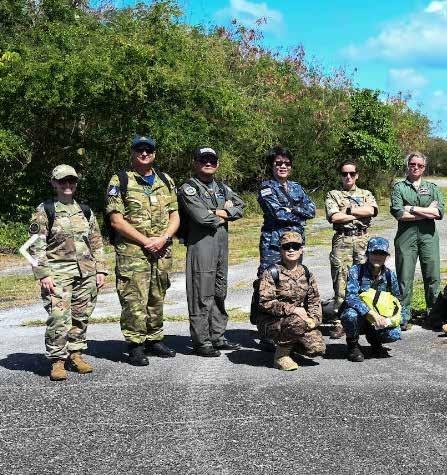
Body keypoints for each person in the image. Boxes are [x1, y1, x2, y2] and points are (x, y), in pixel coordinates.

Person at [105, 135, 179, 366]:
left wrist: (164, 238)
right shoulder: (120, 180)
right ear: (133, 153)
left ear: (154, 153)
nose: (144, 153)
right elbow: (116, 221)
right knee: (134, 298)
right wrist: (147, 241)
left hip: (162, 250)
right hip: (133, 252)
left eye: (148, 150)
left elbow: (175, 215)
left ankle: (154, 339)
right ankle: (135, 344)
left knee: (158, 295)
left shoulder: (166, 180)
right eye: (140, 150)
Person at [28, 164, 107, 381]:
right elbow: (35, 245)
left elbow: (96, 241)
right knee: (58, 317)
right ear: (54, 183)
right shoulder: (45, 210)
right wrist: (43, 274)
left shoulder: (85, 210)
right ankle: (57, 360)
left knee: (81, 316)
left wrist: (101, 269)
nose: (68, 185)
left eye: (71, 180)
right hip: (58, 273)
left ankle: (76, 354)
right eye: (63, 181)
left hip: (86, 273)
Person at [177, 147, 244, 357]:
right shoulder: (188, 188)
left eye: (212, 160)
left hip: (221, 246)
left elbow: (240, 207)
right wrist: (224, 213)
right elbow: (201, 217)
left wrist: (217, 211)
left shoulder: (222, 188)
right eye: (203, 160)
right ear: (195, 163)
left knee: (219, 291)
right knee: (201, 293)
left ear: (217, 164)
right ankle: (202, 341)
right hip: (201, 245)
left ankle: (217, 336)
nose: (208, 163)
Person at [255, 146, 316, 352]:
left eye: (286, 163)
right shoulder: (266, 188)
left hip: (296, 243)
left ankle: (290, 329)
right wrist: (297, 211)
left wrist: (291, 208)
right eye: (278, 163)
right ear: (272, 166)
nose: (283, 166)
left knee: (293, 284)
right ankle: (266, 332)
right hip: (274, 244)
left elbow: (312, 210)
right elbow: (278, 214)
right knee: (268, 285)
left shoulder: (297, 187)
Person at [257, 231, 326, 371]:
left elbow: (314, 302)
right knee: (297, 321)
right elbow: (265, 303)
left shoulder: (307, 273)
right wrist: (293, 309)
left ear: (301, 249)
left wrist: (313, 320)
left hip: (295, 321)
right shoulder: (271, 272)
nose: (291, 250)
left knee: (317, 347)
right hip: (270, 321)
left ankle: (290, 346)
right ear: (280, 250)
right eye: (286, 246)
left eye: (295, 246)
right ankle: (280, 356)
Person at [325, 160, 378, 339]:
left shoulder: (366, 193)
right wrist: (358, 213)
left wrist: (347, 211)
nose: (348, 176)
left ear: (357, 175)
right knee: (341, 280)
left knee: (364, 279)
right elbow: (334, 217)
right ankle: (339, 322)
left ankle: (362, 319)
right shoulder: (333, 194)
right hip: (342, 240)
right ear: (340, 176)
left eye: (352, 173)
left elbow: (371, 211)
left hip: (362, 241)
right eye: (344, 173)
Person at [390, 152, 444, 327]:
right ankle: (404, 314)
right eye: (412, 164)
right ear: (408, 165)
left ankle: (434, 315)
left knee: (432, 275)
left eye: (419, 165)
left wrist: (412, 208)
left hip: (428, 237)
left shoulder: (432, 188)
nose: (415, 167)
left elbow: (438, 213)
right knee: (404, 276)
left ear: (424, 168)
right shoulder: (399, 188)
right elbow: (399, 213)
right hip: (406, 237)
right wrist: (426, 212)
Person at [340, 237, 408, 362]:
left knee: (395, 333)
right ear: (367, 254)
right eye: (374, 253)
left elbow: (398, 299)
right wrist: (372, 314)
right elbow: (351, 297)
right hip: (361, 315)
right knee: (350, 315)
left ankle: (375, 341)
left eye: (382, 254)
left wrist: (400, 319)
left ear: (386, 256)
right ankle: (353, 346)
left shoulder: (389, 275)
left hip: (380, 316)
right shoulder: (356, 271)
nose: (378, 257)